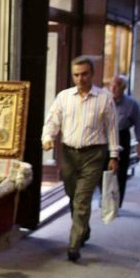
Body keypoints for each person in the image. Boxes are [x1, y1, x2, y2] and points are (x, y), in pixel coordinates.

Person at [42, 55, 119, 262]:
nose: (80, 78)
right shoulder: (64, 97)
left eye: (84, 74)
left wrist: (114, 155)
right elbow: (52, 121)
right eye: (76, 75)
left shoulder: (105, 98)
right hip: (68, 154)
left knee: (82, 199)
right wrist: (48, 137)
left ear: (92, 74)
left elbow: (112, 128)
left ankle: (74, 245)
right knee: (72, 195)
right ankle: (83, 228)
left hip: (94, 154)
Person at [109, 75, 140, 207]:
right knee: (103, 169)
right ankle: (106, 198)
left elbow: (139, 125)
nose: (113, 87)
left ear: (124, 88)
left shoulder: (131, 104)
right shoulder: (104, 101)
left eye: (117, 85)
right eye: (112, 84)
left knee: (121, 172)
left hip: (122, 136)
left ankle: (116, 202)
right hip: (105, 137)